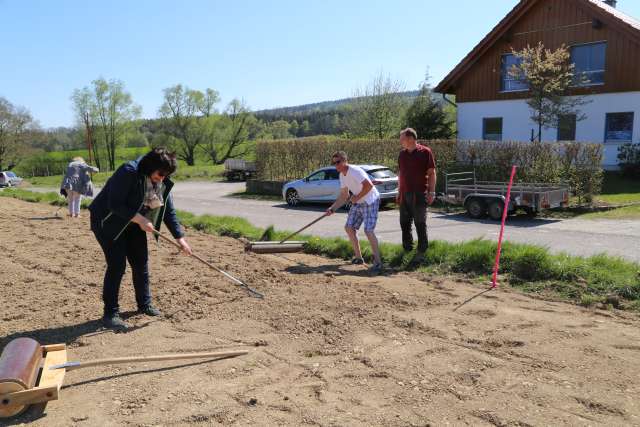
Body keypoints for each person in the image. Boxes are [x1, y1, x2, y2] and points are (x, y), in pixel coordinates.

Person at [89, 148, 192, 330]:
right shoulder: (128, 172)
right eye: (160, 174)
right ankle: (110, 313)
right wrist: (141, 219)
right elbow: (114, 204)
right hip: (108, 223)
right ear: (150, 166)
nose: (162, 178)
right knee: (117, 265)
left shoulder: (160, 179)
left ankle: (144, 304)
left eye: (165, 175)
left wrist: (180, 238)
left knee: (140, 262)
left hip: (133, 222)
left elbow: (168, 210)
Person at [326, 151, 383, 274]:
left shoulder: (355, 171)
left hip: (370, 200)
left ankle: (378, 263)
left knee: (368, 231)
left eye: (338, 162)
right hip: (358, 201)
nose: (336, 165)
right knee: (349, 227)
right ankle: (359, 258)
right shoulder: (342, 175)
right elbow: (344, 195)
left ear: (345, 160)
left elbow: (368, 186)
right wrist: (332, 208)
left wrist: (356, 198)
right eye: (334, 163)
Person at [397, 128, 437, 264]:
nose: (400, 141)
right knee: (404, 223)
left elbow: (432, 173)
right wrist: (399, 192)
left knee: (420, 222)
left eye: (402, 138)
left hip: (419, 193)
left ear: (410, 139)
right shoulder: (402, 154)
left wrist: (432, 192)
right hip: (404, 193)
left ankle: (422, 251)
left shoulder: (425, 152)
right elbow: (400, 174)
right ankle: (407, 249)